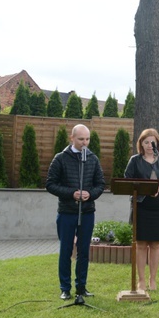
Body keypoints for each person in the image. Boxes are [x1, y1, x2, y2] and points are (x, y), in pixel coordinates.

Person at [46, 124, 105, 300]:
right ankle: (65, 288)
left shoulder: (93, 159)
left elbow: (100, 184)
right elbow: (50, 184)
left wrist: (90, 194)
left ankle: (81, 287)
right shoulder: (60, 158)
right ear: (72, 138)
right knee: (65, 250)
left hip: (87, 212)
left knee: (84, 251)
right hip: (66, 212)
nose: (85, 143)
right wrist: (72, 194)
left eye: (87, 139)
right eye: (81, 139)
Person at [123, 128, 159, 292]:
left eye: (152, 142)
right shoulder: (135, 160)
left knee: (155, 244)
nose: (149, 145)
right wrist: (143, 187)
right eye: (146, 142)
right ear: (141, 144)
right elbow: (127, 181)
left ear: (157, 143)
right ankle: (141, 281)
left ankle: (153, 280)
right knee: (141, 244)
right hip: (142, 207)